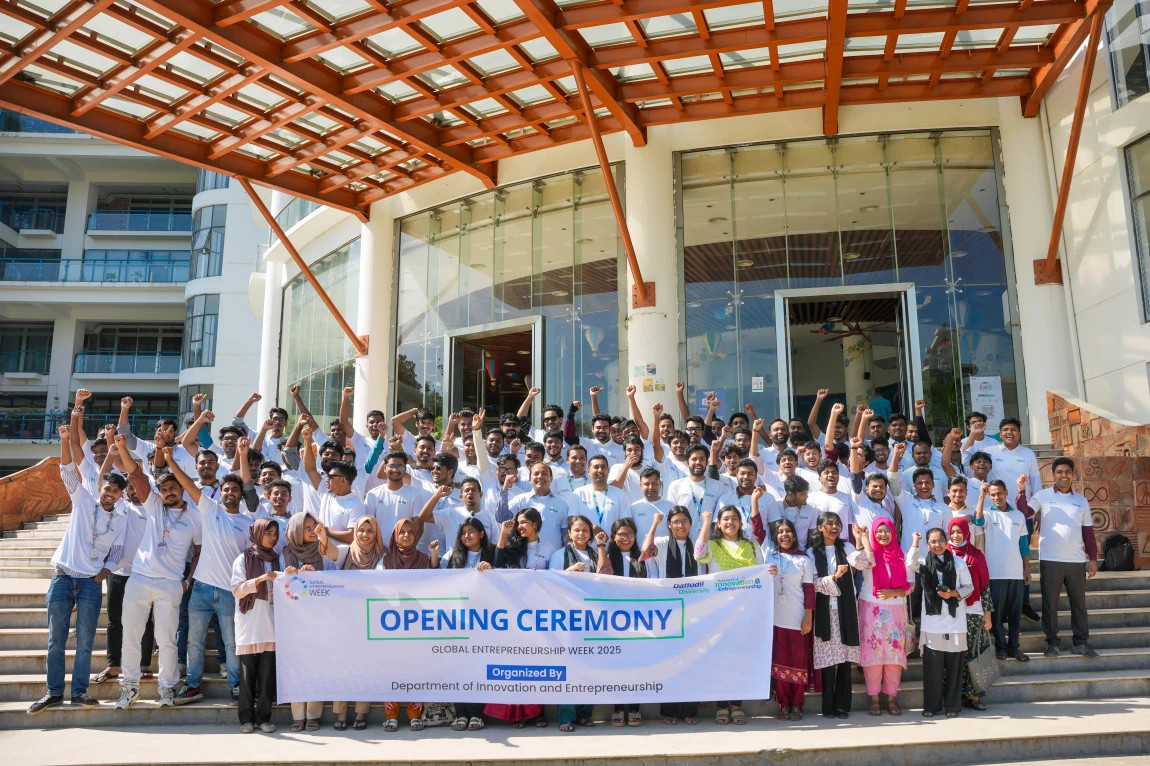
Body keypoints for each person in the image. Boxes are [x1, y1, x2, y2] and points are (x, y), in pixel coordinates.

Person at [29, 426, 128, 715]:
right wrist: (64, 441)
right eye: (107, 488)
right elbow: (68, 472)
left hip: (90, 585)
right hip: (63, 577)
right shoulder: (84, 500)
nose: (110, 493)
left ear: (120, 495)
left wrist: (100, 576)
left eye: (116, 491)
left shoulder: (120, 520)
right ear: (100, 488)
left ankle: (80, 692)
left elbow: (117, 554)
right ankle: (53, 692)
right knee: (55, 640)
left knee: (85, 642)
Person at [111, 434, 203, 711]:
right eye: (164, 490)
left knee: (166, 641)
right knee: (131, 636)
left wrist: (188, 581)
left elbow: (199, 553)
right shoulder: (153, 506)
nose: (168, 493)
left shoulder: (195, 517)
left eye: (173, 488)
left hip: (170, 584)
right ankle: (129, 687)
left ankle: (167, 688)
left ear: (182, 489)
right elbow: (136, 475)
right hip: (139, 579)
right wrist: (123, 448)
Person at [161, 445, 250, 707]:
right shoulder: (210, 509)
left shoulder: (248, 524)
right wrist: (169, 460)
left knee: (232, 644)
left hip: (229, 592)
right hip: (200, 589)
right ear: (220, 493)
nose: (230, 493)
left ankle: (236, 687)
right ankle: (192, 686)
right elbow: (187, 483)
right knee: (194, 641)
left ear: (240, 495)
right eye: (226, 490)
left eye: (234, 490)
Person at [1016, 457, 1099, 658]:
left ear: (1073, 474)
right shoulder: (1043, 496)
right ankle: (1052, 642)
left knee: (1079, 604)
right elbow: (1024, 511)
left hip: (1076, 561)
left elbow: (1088, 532)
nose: (1064, 475)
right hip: (1050, 559)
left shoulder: (1081, 501)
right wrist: (1021, 491)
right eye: (1060, 472)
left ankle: (1080, 643)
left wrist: (1093, 559)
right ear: (1053, 475)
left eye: (1067, 472)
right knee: (1050, 604)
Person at [694, 506, 763, 724]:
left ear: (740, 523)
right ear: (719, 523)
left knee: (740, 660)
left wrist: (770, 572)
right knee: (721, 660)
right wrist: (706, 522)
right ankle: (722, 707)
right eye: (725, 519)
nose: (730, 522)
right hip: (720, 611)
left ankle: (737, 706)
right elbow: (699, 554)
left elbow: (760, 572)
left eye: (734, 519)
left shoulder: (750, 545)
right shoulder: (713, 545)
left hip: (745, 610)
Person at [638, 507, 700, 724]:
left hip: (694, 607)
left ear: (690, 524)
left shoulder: (697, 545)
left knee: (692, 660)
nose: (680, 526)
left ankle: (690, 710)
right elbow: (645, 551)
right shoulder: (662, 543)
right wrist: (655, 523)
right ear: (670, 525)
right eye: (676, 522)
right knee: (670, 661)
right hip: (668, 608)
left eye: (684, 521)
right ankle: (670, 711)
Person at [487, 513, 548, 728]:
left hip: (539, 613)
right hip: (513, 612)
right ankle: (517, 715)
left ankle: (537, 713)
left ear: (535, 524)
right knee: (516, 664)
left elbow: (555, 577)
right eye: (518, 522)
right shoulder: (511, 545)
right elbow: (497, 565)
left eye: (524, 522)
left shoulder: (549, 547)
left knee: (536, 665)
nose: (520, 526)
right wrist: (503, 534)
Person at [380, 517, 439, 732]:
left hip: (417, 624)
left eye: (411, 532)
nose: (406, 536)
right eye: (402, 532)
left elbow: (437, 583)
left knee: (417, 669)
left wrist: (434, 556)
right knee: (391, 669)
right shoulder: (385, 561)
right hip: (391, 624)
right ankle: (391, 714)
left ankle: (415, 713)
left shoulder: (423, 558)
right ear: (395, 535)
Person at [908, 528, 974, 717]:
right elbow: (910, 562)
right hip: (932, 624)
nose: (937, 545)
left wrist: (952, 594)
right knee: (932, 671)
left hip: (955, 623)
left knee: (954, 669)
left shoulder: (958, 563)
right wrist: (915, 542)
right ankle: (931, 706)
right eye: (933, 542)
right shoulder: (923, 562)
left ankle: (952, 706)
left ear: (946, 541)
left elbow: (969, 587)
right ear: (928, 544)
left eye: (941, 541)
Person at [332, 515, 387, 731]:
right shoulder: (346, 552)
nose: (365, 534)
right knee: (342, 666)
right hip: (344, 619)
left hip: (370, 620)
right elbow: (330, 553)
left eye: (370, 531)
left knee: (365, 667)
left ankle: (361, 712)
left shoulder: (382, 556)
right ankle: (341, 713)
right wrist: (323, 538)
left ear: (376, 533)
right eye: (361, 530)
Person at [231, 518, 286, 733]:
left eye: (275, 534)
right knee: (247, 676)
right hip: (250, 623)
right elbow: (237, 590)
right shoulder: (243, 558)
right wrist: (260, 580)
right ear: (257, 533)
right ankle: (246, 719)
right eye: (268, 533)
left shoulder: (278, 559)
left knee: (267, 676)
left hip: (271, 623)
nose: (272, 538)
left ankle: (263, 718)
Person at [854, 517, 912, 716]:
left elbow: (911, 584)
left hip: (896, 610)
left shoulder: (902, 555)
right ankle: (874, 699)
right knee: (874, 656)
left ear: (894, 533)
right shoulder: (868, 554)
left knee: (893, 658)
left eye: (887, 530)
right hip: (871, 610)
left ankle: (892, 698)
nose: (883, 534)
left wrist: (893, 592)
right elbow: (863, 562)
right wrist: (862, 539)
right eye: (879, 531)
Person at [808, 510, 863, 719]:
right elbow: (813, 583)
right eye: (829, 523)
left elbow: (862, 563)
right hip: (825, 611)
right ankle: (828, 706)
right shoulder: (812, 552)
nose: (834, 527)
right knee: (829, 662)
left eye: (837, 523)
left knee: (845, 661)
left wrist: (859, 540)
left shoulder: (846, 547)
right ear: (820, 527)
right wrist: (834, 577)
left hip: (845, 609)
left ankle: (842, 706)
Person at [442, 517, 494, 731]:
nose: (467, 536)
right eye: (463, 533)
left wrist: (491, 570)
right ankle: (461, 714)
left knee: (478, 667)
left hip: (483, 620)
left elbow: (504, 579)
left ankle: (476, 714)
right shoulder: (454, 555)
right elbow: (441, 581)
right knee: (458, 667)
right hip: (458, 620)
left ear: (481, 533)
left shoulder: (492, 553)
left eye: (471, 531)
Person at [552, 515, 601, 732]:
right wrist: (570, 571)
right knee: (568, 668)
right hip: (567, 619)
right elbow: (549, 581)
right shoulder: (559, 555)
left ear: (590, 534)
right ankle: (566, 717)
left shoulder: (595, 554)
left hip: (591, 619)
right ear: (569, 533)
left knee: (589, 668)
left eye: (585, 530)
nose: (581, 534)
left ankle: (584, 714)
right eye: (577, 530)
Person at [763, 519, 814, 722]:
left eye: (788, 531)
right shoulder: (769, 556)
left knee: (798, 663)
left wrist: (808, 615)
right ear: (775, 536)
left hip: (797, 618)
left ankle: (797, 705)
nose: (784, 534)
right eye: (780, 531)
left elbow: (809, 589)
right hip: (775, 619)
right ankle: (783, 705)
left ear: (794, 534)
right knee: (779, 663)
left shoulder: (803, 559)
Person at [596, 517, 646, 726]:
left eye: (630, 534)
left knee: (636, 665)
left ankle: (634, 709)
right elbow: (601, 576)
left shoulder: (643, 557)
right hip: (614, 619)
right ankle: (617, 709)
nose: (626, 538)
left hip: (638, 619)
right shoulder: (608, 555)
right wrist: (601, 546)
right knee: (616, 665)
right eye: (621, 534)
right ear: (614, 536)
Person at [974, 480, 1030, 661]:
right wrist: (981, 496)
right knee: (996, 614)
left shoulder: (1018, 516)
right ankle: (1001, 648)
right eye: (992, 495)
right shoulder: (987, 513)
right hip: (995, 574)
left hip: (1016, 573)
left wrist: (1027, 570)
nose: (996, 497)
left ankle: (1014, 648)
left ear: (1006, 492)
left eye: (999, 493)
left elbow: (1024, 546)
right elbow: (977, 520)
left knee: (1015, 614)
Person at [947, 517, 995, 711]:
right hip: (949, 613)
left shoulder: (976, 555)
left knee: (973, 653)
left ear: (967, 532)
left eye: (959, 532)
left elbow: (984, 586)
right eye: (952, 532)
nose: (956, 536)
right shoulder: (944, 553)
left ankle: (973, 695)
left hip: (973, 611)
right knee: (952, 654)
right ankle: (953, 695)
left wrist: (988, 614)